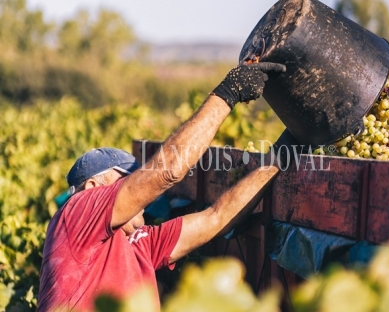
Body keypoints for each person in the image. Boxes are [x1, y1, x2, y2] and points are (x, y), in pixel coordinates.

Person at [37, 62, 289, 312]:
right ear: (92, 187)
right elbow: (166, 169)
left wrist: (281, 156)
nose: (139, 190)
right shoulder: (76, 214)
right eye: (126, 179)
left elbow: (217, 218)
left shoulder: (139, 244)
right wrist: (229, 93)